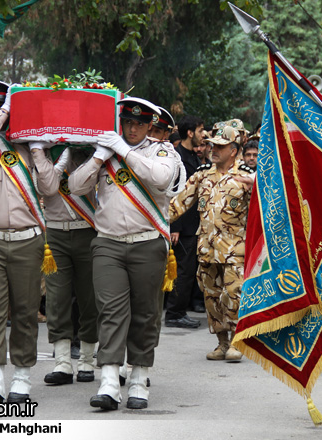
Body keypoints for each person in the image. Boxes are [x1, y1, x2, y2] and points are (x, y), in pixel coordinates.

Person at [69, 97, 182, 411]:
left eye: (139, 124)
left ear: (149, 126)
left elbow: (160, 179)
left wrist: (123, 150)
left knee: (145, 313)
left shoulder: (162, 151)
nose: (132, 128)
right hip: (108, 243)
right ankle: (108, 381)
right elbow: (76, 186)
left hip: (147, 242)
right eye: (128, 123)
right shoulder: (106, 152)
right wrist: (98, 157)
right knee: (110, 311)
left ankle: (138, 377)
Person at [0, 80, 60, 404]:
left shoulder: (30, 147)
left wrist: (36, 147)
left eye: (1, 108)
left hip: (28, 240)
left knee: (25, 311)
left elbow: (49, 188)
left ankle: (21, 376)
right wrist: (7, 109)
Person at [169, 126, 254, 362]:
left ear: (234, 150)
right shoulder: (202, 175)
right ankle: (222, 343)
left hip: (235, 249)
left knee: (234, 294)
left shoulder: (246, 176)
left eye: (220, 146)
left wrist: (255, 187)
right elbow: (179, 203)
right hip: (207, 248)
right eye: (212, 145)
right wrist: (155, 219)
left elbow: (266, 204)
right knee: (212, 296)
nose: (213, 150)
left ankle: (237, 341)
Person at [42, 145, 99, 386]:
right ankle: (62, 362)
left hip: (86, 230)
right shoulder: (45, 150)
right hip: (55, 233)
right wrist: (62, 154)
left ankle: (87, 359)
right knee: (57, 299)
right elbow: (44, 186)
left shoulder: (94, 151)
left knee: (89, 298)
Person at [165, 115, 204, 329]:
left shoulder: (193, 157)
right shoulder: (178, 156)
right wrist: (176, 227)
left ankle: (179, 310)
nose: (202, 135)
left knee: (188, 270)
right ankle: (174, 313)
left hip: (193, 225)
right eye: (200, 130)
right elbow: (175, 193)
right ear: (190, 133)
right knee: (182, 270)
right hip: (182, 225)